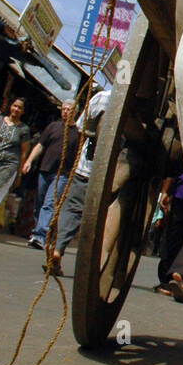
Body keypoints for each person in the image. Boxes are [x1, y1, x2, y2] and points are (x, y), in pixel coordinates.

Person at [45, 86, 110, 275]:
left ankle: (57, 249)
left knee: (72, 209)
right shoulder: (137, 107)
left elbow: (81, 127)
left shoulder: (101, 98)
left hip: (85, 167)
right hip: (111, 174)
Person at [23, 101, 79, 248]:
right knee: (39, 203)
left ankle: (39, 235)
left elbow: (78, 157)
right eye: (64, 109)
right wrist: (29, 161)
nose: (65, 112)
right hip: (45, 170)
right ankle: (38, 232)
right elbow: (40, 145)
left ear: (75, 112)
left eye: (69, 109)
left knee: (49, 204)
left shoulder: (78, 133)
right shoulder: (53, 127)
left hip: (62, 175)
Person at [0, 96, 32, 230]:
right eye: (15, 106)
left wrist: (19, 174)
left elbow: (23, 153)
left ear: (23, 111)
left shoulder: (23, 129)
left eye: (19, 108)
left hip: (8, 166)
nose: (16, 109)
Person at [155, 169, 183, 303]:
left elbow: (174, 164)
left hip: (182, 193)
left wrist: (165, 191)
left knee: (174, 236)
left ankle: (168, 279)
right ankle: (179, 275)